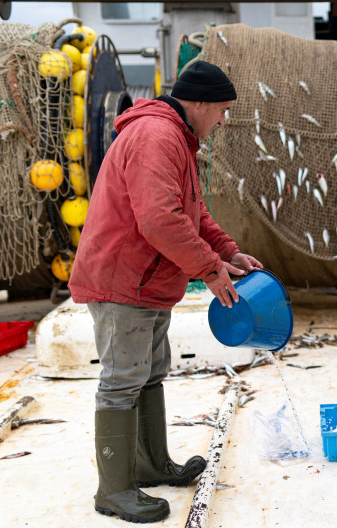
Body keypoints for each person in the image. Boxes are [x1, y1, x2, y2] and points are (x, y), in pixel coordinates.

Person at [69, 60, 262, 523]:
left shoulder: (177, 137)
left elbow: (191, 213)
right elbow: (159, 219)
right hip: (124, 280)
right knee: (121, 382)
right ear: (197, 103)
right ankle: (113, 490)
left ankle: (150, 463)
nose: (223, 120)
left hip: (147, 281)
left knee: (149, 371)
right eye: (222, 110)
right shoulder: (158, 136)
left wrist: (227, 252)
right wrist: (210, 271)